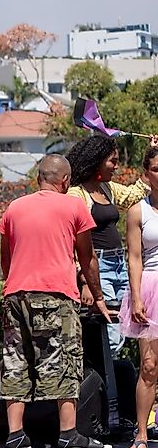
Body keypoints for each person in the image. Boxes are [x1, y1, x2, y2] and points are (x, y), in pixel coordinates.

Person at [0, 155, 112, 448]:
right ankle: (68, 435)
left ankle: (15, 437)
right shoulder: (73, 205)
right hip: (55, 295)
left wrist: (15, 283)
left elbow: (5, 258)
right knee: (63, 361)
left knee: (15, 362)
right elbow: (87, 257)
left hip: (14, 295)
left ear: (39, 178)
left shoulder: (14, 207)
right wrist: (98, 296)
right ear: (64, 180)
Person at [66, 135, 156, 355]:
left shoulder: (107, 188)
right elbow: (72, 241)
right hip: (98, 268)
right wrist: (85, 280)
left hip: (119, 266)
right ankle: (100, 384)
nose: (116, 166)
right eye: (112, 161)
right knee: (111, 336)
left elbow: (135, 193)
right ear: (97, 160)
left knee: (120, 331)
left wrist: (150, 152)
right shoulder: (76, 195)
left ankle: (109, 383)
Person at [120, 147, 158, 448]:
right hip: (150, 286)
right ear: (146, 175)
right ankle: (141, 432)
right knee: (148, 366)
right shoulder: (138, 211)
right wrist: (135, 296)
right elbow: (134, 258)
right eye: (156, 168)